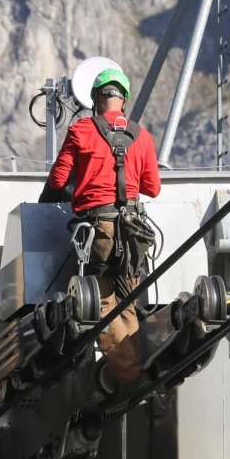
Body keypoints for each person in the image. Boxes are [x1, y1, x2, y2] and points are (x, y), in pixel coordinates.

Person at [38, 67, 162, 389]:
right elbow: (153, 188)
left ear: (96, 99)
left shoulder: (81, 130)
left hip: (99, 229)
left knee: (101, 302)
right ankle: (137, 370)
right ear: (124, 100)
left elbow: (57, 180)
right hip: (134, 231)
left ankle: (129, 377)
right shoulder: (142, 135)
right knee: (127, 301)